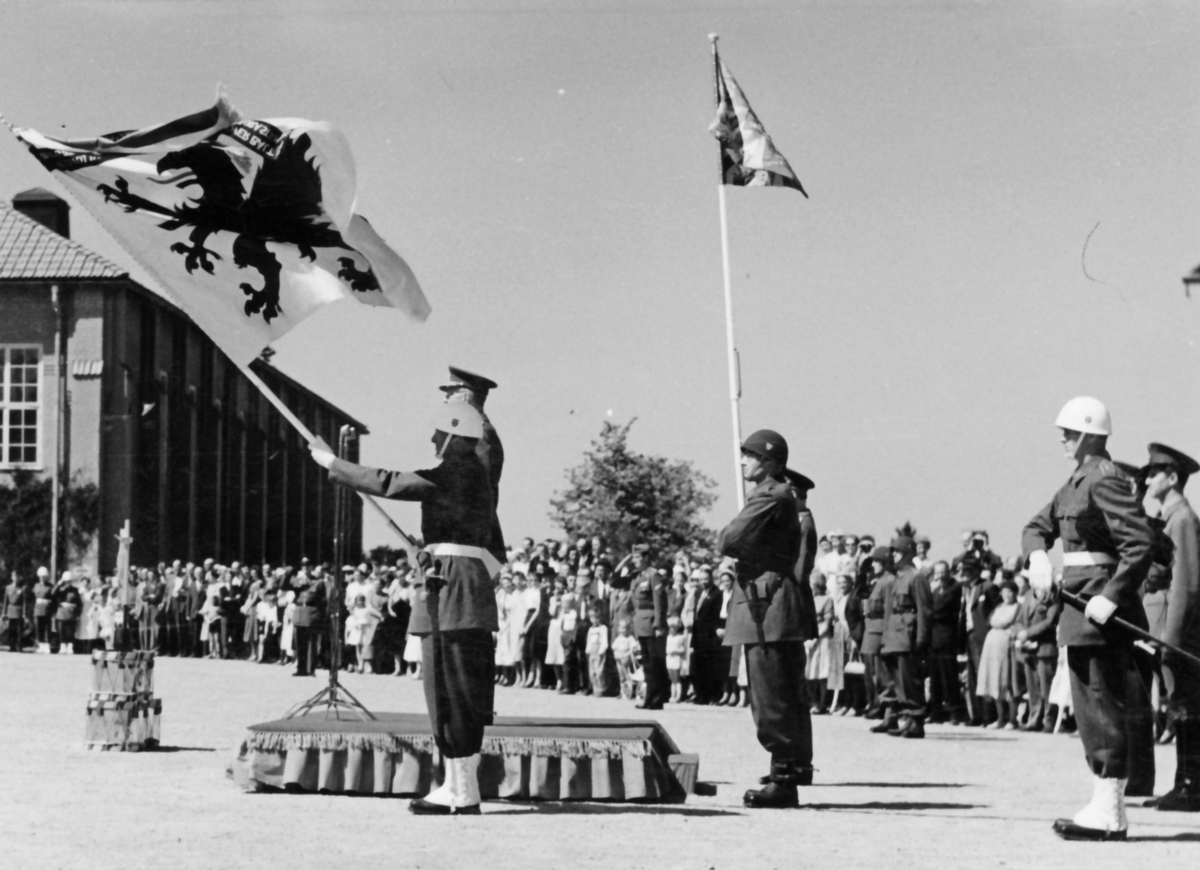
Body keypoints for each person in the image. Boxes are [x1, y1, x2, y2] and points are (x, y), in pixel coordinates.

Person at [313, 401, 502, 816]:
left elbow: (391, 482)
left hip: (453, 592)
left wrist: (333, 462)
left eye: (439, 433)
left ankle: (463, 791)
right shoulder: (471, 476)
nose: (434, 440)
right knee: (449, 690)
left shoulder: (458, 470)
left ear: (455, 433)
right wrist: (429, 552)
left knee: (452, 689)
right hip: (453, 585)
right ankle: (457, 786)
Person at [1024, 396, 1155, 841]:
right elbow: (1034, 526)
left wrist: (1114, 595)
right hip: (1079, 609)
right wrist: (1039, 554)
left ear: (1089, 435)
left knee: (1102, 706)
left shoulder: (1104, 478)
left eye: (1069, 432)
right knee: (1088, 705)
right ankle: (1103, 804)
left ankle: (1111, 811)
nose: (1062, 438)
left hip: (1099, 609)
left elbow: (1139, 543)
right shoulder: (1073, 483)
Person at [719, 429, 814, 809]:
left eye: (749, 455)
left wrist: (744, 544)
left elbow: (727, 540)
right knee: (783, 693)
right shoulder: (779, 496)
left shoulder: (771, 495)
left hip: (766, 607)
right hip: (769, 605)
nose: (742, 460)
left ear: (770, 462)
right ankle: (789, 771)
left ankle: (784, 779)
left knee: (770, 696)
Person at [1142, 443, 1200, 812]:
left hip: (1183, 636)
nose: (1146, 479)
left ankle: (1191, 786)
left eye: (1153, 472)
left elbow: (1187, 584)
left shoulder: (1182, 519)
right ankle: (1184, 783)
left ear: (1173, 477)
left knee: (1187, 706)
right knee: (1180, 706)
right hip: (1172, 632)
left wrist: (1172, 640)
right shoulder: (1173, 518)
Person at [878, 534, 932, 738]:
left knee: (911, 680)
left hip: (908, 636)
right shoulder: (899, 577)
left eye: (897, 551)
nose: (893, 555)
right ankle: (908, 718)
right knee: (899, 681)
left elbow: (924, 610)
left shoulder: (916, 577)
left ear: (908, 553)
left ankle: (917, 720)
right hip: (895, 636)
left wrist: (921, 639)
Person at [630, 544, 669, 709]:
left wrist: (659, 624)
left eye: (638, 558)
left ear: (646, 558)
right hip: (641, 623)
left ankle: (657, 698)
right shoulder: (638, 577)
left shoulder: (654, 575)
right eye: (633, 558)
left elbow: (659, 601)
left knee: (655, 663)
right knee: (646, 663)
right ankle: (650, 697)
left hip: (652, 623)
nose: (635, 561)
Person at [926, 560, 965, 723]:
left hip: (947, 637)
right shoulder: (935, 590)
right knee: (935, 677)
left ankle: (955, 712)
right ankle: (936, 711)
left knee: (949, 676)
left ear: (948, 572)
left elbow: (942, 608)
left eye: (943, 572)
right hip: (934, 638)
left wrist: (928, 612)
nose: (940, 575)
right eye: (937, 572)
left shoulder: (955, 587)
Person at [665, 616, 686, 702]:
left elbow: (683, 649)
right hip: (669, 658)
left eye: (673, 628)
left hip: (676, 659)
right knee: (672, 679)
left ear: (677, 628)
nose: (671, 629)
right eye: (670, 628)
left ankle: (678, 696)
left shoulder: (680, 637)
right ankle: (672, 695)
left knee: (677, 678)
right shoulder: (668, 637)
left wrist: (676, 650)